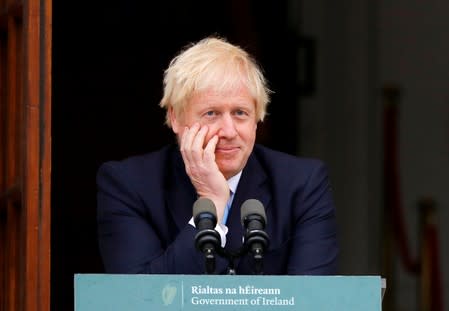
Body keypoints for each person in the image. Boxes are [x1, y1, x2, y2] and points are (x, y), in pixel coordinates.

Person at [96, 36, 338, 275]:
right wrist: (212, 200)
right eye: (211, 113)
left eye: (240, 113)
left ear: (257, 118)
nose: (229, 131)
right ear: (175, 118)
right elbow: (140, 298)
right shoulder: (128, 185)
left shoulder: (302, 184)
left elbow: (312, 297)